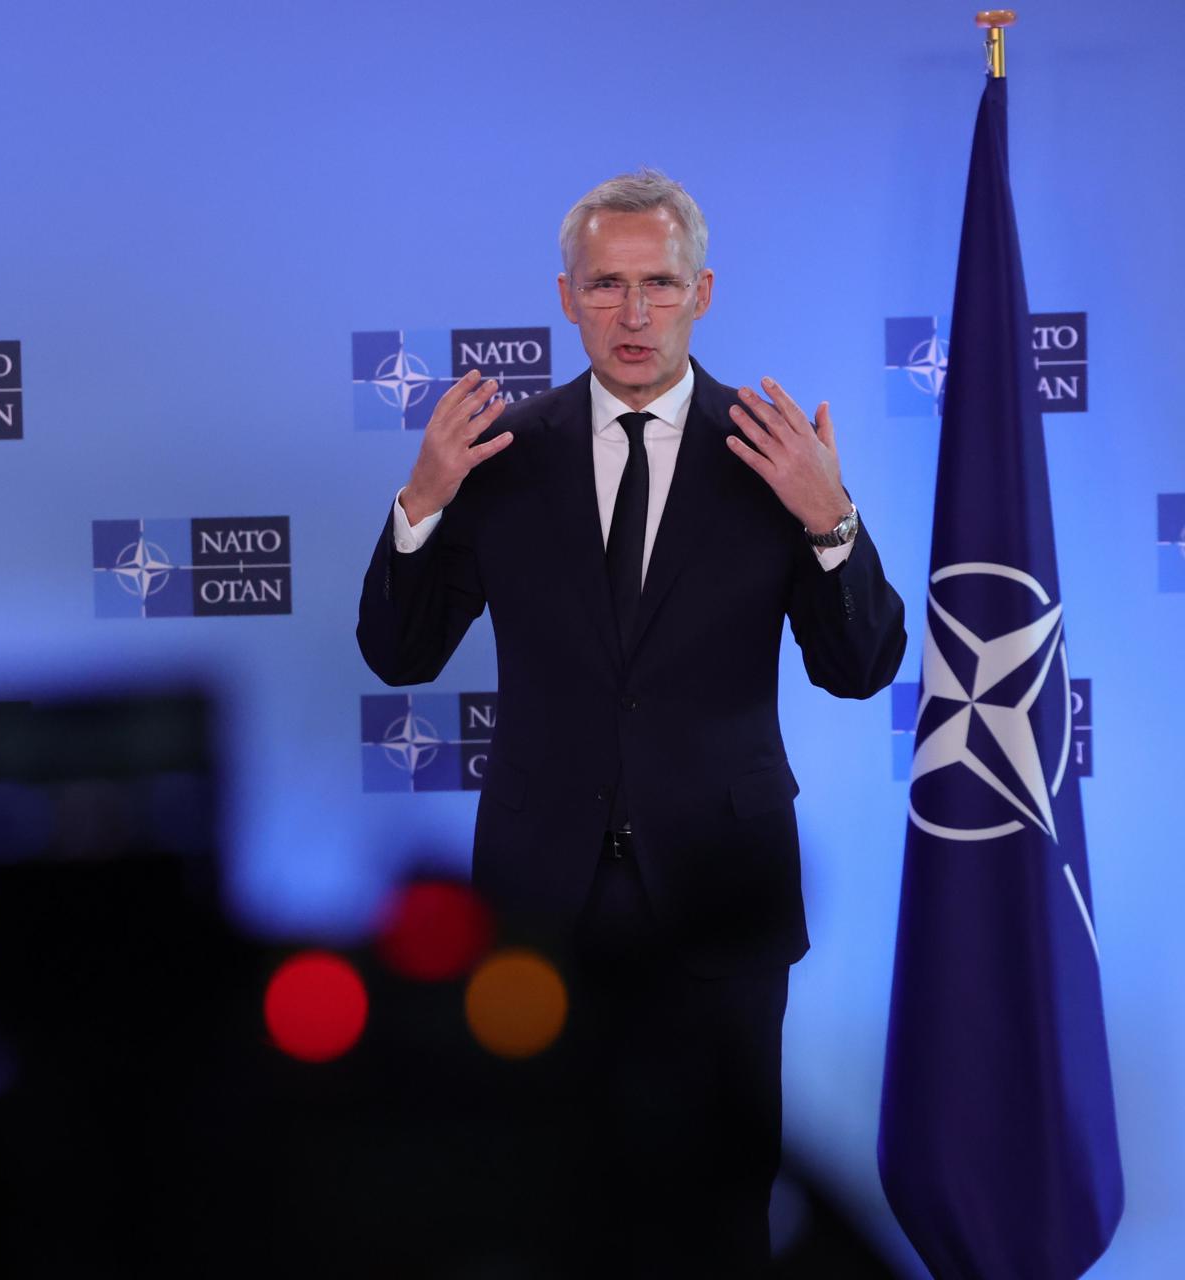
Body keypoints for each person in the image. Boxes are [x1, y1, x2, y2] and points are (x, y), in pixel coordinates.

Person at [356, 171, 906, 1275]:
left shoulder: (773, 453)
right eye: (608, 284)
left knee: (729, 1193)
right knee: (538, 1188)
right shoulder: (502, 455)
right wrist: (422, 498)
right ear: (567, 297)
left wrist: (831, 519)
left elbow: (862, 668)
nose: (635, 311)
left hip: (723, 893)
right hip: (538, 894)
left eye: (659, 283)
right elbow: (399, 652)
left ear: (702, 291)